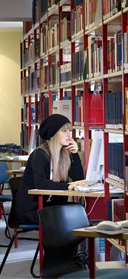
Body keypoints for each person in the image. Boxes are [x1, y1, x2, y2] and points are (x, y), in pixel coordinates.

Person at [15, 113, 89, 268]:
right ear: (54, 134)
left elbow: (78, 179)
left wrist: (75, 155)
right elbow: (41, 184)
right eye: (64, 131)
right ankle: (62, 264)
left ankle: (78, 261)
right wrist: (67, 186)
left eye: (70, 130)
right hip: (32, 209)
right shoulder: (39, 155)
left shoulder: (65, 155)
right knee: (66, 218)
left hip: (50, 207)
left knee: (79, 211)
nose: (69, 135)